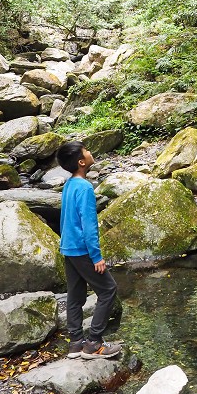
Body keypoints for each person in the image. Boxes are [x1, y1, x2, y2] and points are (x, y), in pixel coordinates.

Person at [57, 140, 121, 359]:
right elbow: (89, 226)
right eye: (87, 150)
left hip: (68, 248)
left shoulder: (69, 184)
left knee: (75, 297)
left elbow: (66, 219)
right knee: (108, 289)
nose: (91, 151)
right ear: (82, 162)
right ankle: (94, 342)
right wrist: (97, 256)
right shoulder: (84, 188)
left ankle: (75, 343)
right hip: (83, 250)